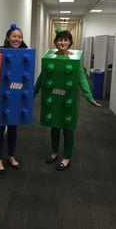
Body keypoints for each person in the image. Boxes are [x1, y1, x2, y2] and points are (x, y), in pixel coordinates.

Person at [34, 29, 101, 171]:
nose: (62, 42)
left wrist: (90, 98)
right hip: (54, 97)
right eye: (60, 39)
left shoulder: (75, 60)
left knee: (68, 129)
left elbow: (82, 78)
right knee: (54, 126)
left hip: (68, 99)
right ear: (55, 41)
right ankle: (54, 152)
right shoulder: (50, 57)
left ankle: (66, 157)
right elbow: (43, 77)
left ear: (70, 42)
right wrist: (34, 92)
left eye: (65, 40)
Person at [0, 23, 28, 174]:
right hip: (1, 97)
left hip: (15, 97)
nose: (17, 39)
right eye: (14, 36)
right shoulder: (0, 54)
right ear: (8, 37)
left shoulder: (25, 54)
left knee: (13, 128)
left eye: (19, 36)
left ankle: (11, 156)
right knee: (0, 128)